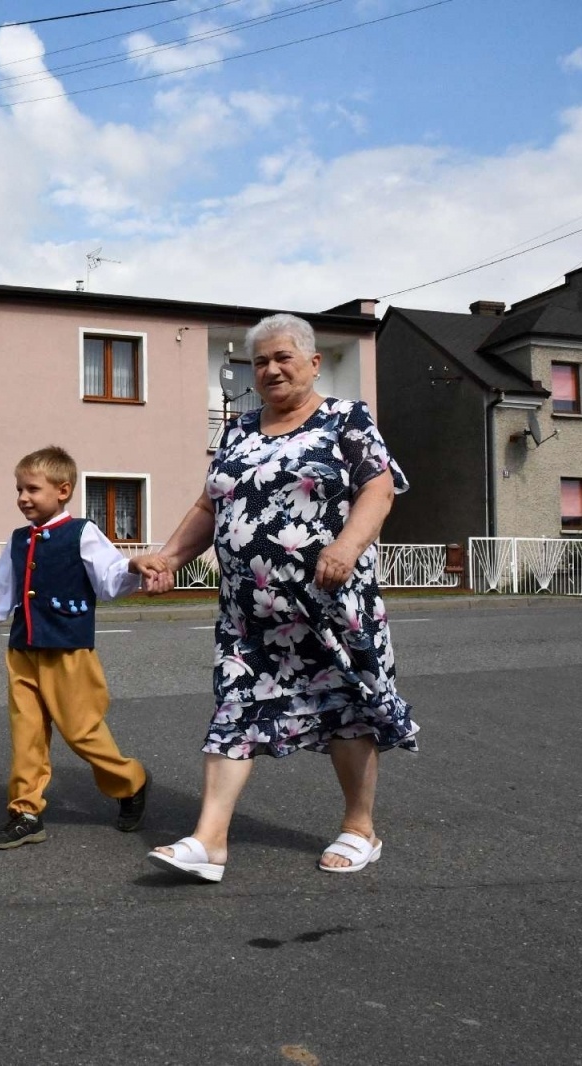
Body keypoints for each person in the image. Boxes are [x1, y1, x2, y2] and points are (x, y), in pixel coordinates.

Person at [131, 313, 417, 883]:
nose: (270, 369)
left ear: (313, 363)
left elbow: (378, 488)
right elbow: (210, 507)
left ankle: (360, 828)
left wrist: (346, 545)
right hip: (249, 615)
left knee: (348, 710)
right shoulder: (237, 431)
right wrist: (166, 558)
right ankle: (209, 841)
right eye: (259, 361)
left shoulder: (345, 420)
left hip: (330, 603)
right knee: (234, 709)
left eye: (283, 357)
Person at [0, 446, 150, 849]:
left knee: (81, 732)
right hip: (23, 651)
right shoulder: (20, 540)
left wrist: (131, 567)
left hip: (69, 652)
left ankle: (131, 781)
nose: (22, 497)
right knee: (26, 734)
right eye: (19, 489)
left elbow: (108, 579)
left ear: (63, 490)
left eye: (32, 489)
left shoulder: (82, 532)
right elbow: (1, 590)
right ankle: (25, 812)